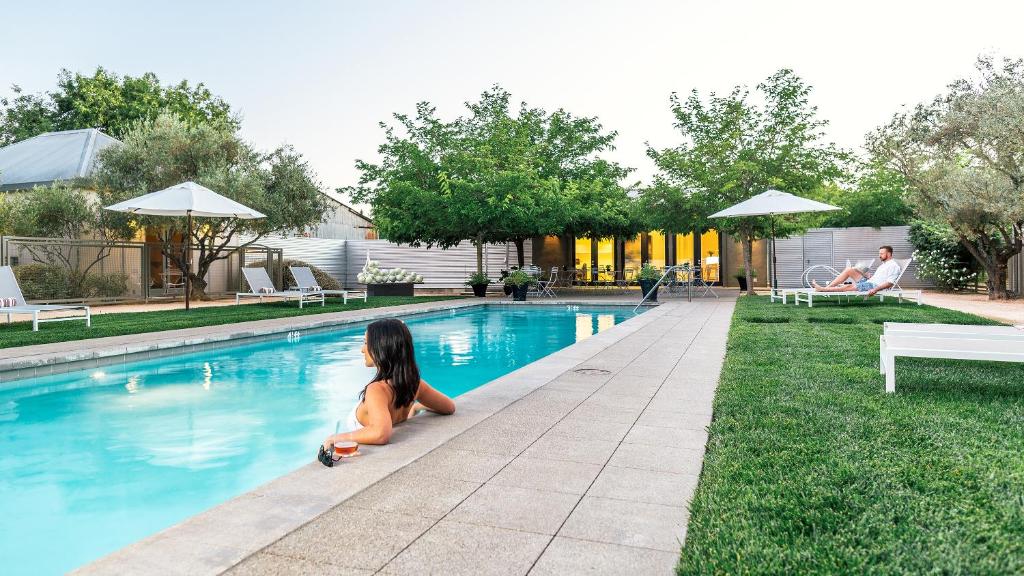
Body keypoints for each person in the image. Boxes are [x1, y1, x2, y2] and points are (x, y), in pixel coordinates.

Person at [320, 318, 455, 453]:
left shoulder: (377, 389)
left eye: (366, 343)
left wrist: (337, 438)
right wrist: (419, 406)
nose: (362, 350)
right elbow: (449, 407)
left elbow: (381, 434)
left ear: (382, 348)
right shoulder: (414, 383)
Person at [811, 245, 901, 297]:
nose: (879, 255)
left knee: (848, 287)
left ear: (888, 254)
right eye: (879, 253)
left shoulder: (894, 266)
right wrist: (867, 275)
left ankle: (822, 289)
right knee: (849, 270)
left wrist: (875, 289)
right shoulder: (884, 265)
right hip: (869, 281)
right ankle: (827, 288)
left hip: (872, 286)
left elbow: (890, 283)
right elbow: (879, 277)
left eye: (881, 254)